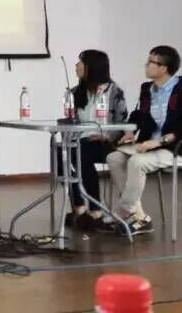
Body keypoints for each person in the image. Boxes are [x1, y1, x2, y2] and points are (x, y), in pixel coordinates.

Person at [103, 45, 182, 236]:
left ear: (163, 68)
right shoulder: (147, 89)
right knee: (113, 158)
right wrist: (130, 131)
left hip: (177, 149)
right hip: (149, 146)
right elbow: (138, 114)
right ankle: (139, 216)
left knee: (137, 162)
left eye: (151, 62)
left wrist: (160, 141)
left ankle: (123, 210)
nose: (146, 65)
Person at [59, 50, 127, 231]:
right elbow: (70, 121)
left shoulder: (114, 92)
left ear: (92, 66)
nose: (76, 65)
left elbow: (122, 123)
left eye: (80, 62)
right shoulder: (76, 92)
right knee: (60, 153)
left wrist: (108, 135)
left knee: (80, 153)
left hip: (105, 142)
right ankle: (79, 208)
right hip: (80, 141)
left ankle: (96, 210)